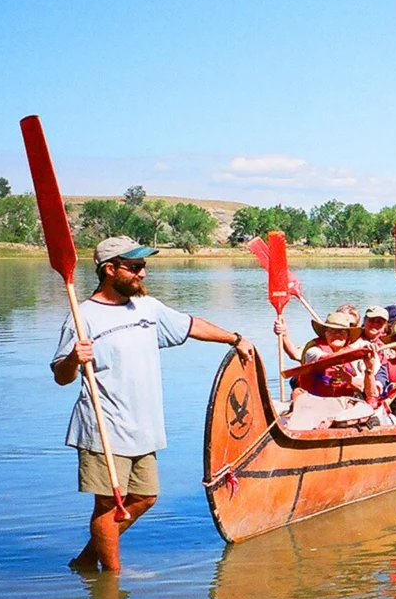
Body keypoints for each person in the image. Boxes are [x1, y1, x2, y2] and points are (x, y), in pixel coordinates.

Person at [52, 236, 257, 572]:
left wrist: (236, 338)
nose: (143, 274)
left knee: (146, 497)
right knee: (108, 505)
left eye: (144, 266)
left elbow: (191, 325)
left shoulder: (147, 309)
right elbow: (62, 376)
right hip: (103, 425)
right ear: (110, 269)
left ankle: (88, 561)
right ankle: (112, 582)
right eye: (135, 267)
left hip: (143, 425)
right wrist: (74, 359)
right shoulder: (83, 317)